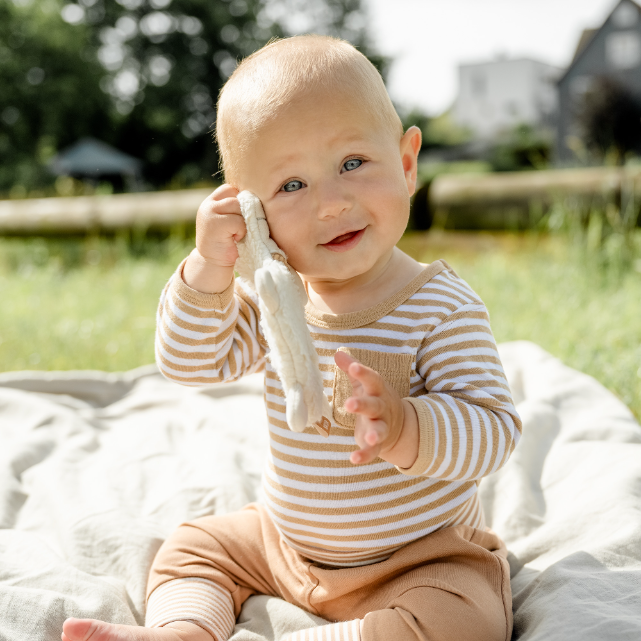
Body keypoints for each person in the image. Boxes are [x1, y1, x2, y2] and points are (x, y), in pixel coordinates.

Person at [62, 34, 521, 641]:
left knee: (465, 619)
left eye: (352, 164)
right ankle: (182, 632)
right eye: (291, 187)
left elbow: (493, 431)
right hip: (285, 544)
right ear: (253, 217)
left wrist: (408, 425)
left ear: (406, 164)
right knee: (191, 546)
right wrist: (208, 268)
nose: (331, 204)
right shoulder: (278, 297)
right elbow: (189, 361)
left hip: (420, 557)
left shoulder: (440, 306)